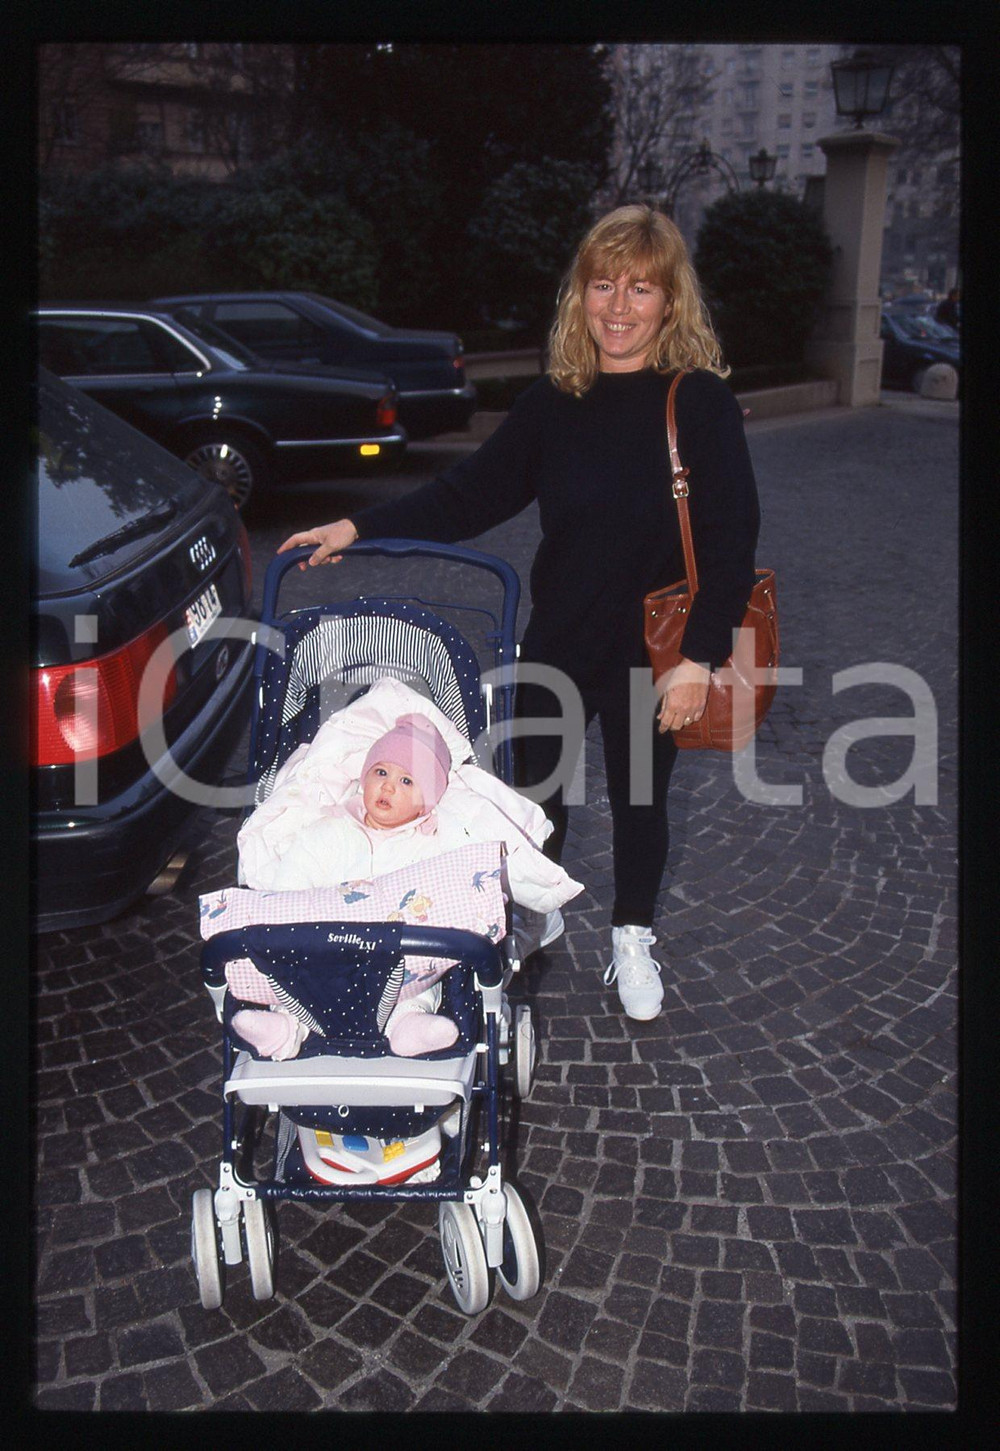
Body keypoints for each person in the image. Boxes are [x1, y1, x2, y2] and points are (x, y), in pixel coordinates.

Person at [277, 205, 761, 1023]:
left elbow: (730, 540)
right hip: (557, 641)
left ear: (670, 301)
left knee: (642, 799)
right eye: (603, 283)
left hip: (654, 650)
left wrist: (701, 659)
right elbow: (466, 495)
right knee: (534, 796)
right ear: (580, 296)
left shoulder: (700, 403)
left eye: (640, 287)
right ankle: (537, 910)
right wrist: (357, 525)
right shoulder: (554, 402)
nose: (619, 305)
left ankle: (633, 934)